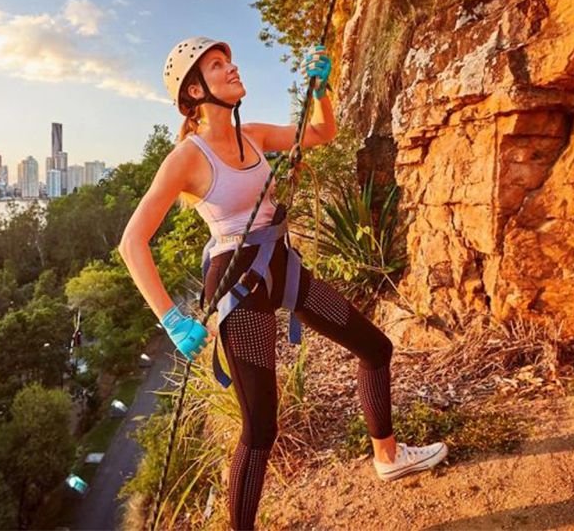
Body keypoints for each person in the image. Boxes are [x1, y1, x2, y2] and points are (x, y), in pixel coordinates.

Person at [119, 37, 448, 530]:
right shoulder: (188, 157)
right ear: (193, 93)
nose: (231, 69)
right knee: (259, 428)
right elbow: (132, 243)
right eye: (216, 66)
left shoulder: (251, 134)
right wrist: (170, 318)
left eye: (228, 60)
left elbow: (320, 133)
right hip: (239, 287)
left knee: (375, 347)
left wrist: (320, 89)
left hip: (283, 269)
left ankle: (388, 456)